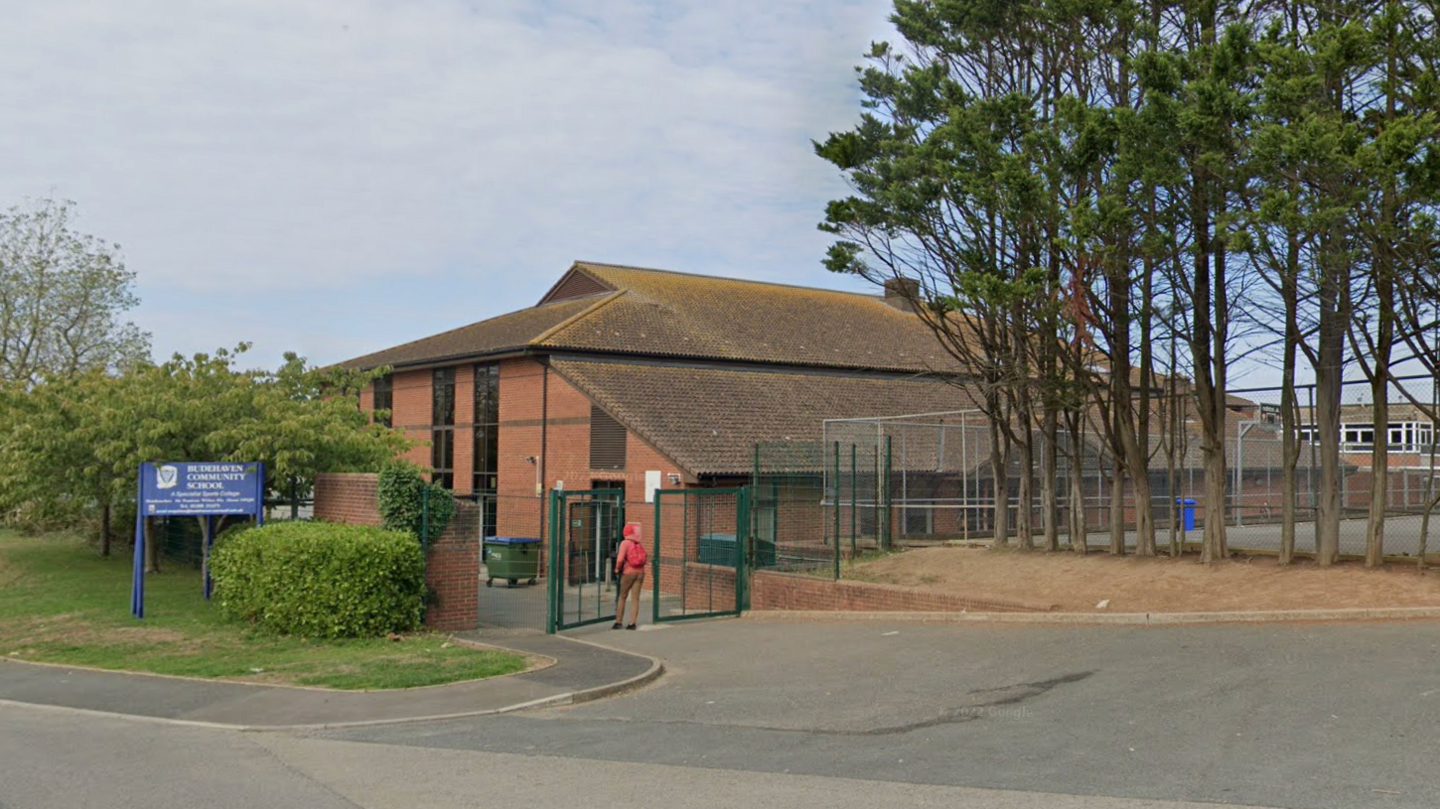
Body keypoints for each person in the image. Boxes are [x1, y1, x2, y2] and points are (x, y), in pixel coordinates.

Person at [613, 522, 646, 630]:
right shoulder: (638, 543)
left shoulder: (625, 543)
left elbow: (620, 559)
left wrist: (617, 569)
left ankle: (618, 622)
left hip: (628, 573)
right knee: (635, 598)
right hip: (640, 572)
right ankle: (632, 623)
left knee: (622, 596)